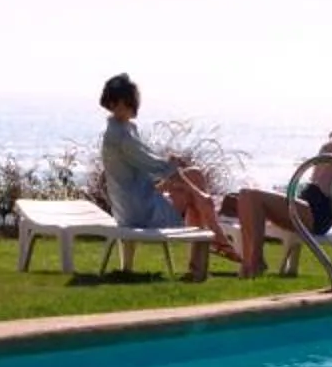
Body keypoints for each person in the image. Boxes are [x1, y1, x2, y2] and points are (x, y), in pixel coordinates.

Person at [227, 100, 332, 280]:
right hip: (307, 197)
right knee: (245, 195)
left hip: (322, 208)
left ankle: (255, 262)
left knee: (252, 196)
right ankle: (249, 263)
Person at [96, 73, 232, 276]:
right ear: (113, 103)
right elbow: (154, 165)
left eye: (126, 103)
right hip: (140, 211)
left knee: (192, 183)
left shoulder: (123, 129)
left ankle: (205, 254)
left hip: (135, 203)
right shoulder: (122, 136)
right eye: (120, 104)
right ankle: (213, 245)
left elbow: (144, 166)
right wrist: (177, 174)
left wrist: (171, 171)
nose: (125, 108)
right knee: (195, 181)